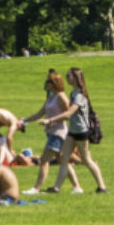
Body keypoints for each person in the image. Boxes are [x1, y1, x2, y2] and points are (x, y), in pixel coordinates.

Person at [55, 66, 108, 194]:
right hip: (73, 131)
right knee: (64, 157)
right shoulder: (73, 93)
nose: (67, 77)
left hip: (81, 131)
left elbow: (69, 114)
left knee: (86, 160)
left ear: (76, 78)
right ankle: (56, 188)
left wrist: (50, 120)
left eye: (69, 75)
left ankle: (102, 187)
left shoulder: (79, 95)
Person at [31, 71, 73, 191]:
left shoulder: (61, 96)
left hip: (58, 133)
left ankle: (36, 188)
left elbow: (68, 114)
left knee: (44, 160)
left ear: (54, 83)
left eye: (48, 81)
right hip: (51, 133)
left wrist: (50, 121)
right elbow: (40, 113)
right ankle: (77, 187)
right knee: (62, 161)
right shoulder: (51, 97)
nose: (46, 83)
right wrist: (24, 120)